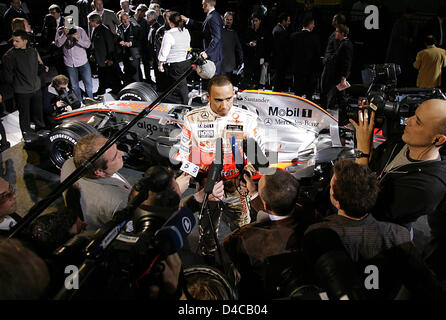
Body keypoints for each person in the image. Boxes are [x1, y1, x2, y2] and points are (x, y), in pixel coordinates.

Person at [175, 75, 263, 258]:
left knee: (243, 227)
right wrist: (198, 179)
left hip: (236, 188)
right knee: (207, 229)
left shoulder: (248, 119)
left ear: (234, 95)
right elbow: (186, 158)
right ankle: (209, 256)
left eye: (229, 99)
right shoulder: (192, 119)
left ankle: (242, 258)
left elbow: (257, 158)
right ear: (207, 97)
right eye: (218, 100)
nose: (225, 105)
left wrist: (245, 178)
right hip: (207, 188)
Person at [350, 99, 446, 235]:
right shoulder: (402, 141)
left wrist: (363, 151)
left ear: (438, 139)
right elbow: (373, 166)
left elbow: (360, 206)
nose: (408, 121)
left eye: (418, 122)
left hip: (380, 234)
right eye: (413, 114)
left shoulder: (426, 188)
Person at [223, 169, 315, 298]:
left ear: (265, 205)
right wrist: (255, 193)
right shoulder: (312, 216)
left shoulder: (244, 239)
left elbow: (228, 246)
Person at [305, 159, 411, 262]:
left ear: (338, 203)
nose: (329, 189)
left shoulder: (318, 234)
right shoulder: (399, 235)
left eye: (331, 187)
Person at [60, 133, 132, 231]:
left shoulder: (69, 164)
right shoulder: (120, 202)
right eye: (115, 156)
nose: (122, 153)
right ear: (100, 172)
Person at [2, 30, 47, 139]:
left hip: (36, 88)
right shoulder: (9, 56)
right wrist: (17, 84)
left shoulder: (32, 51)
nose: (14, 43)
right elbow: (7, 76)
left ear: (25, 41)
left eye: (17, 41)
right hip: (22, 91)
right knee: (24, 115)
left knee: (38, 112)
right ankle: (27, 135)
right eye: (13, 41)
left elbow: (37, 67)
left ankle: (41, 130)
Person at [182, 0, 223, 75]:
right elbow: (203, 26)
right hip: (213, 55)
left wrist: (208, 52)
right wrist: (187, 20)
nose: (202, 7)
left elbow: (217, 37)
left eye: (203, 5)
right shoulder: (213, 15)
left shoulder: (213, 17)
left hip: (213, 56)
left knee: (213, 81)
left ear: (207, 4)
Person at [158, 11, 191, 105]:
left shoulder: (169, 34)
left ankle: (185, 105)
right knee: (176, 85)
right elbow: (188, 45)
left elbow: (164, 51)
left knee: (181, 86)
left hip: (175, 64)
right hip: (186, 62)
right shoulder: (186, 31)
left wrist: (160, 64)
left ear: (170, 22)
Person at [55, 21, 93, 102]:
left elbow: (88, 44)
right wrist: (64, 35)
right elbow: (58, 44)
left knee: (88, 84)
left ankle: (91, 101)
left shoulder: (80, 30)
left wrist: (78, 39)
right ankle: (79, 102)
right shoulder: (60, 31)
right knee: (74, 85)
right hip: (69, 63)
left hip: (82, 61)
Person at [88, 13, 123, 97]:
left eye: (90, 21)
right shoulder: (96, 29)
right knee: (102, 75)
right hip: (100, 58)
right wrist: (93, 54)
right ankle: (101, 90)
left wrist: (110, 58)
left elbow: (110, 45)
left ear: (94, 21)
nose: (89, 23)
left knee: (112, 74)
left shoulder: (104, 30)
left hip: (106, 59)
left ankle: (117, 90)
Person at [320, 24, 353, 110]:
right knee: (339, 96)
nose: (335, 34)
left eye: (337, 32)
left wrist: (343, 78)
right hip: (335, 74)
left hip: (337, 76)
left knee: (335, 95)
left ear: (342, 33)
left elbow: (347, 62)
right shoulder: (342, 43)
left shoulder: (346, 45)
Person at [290, 16, 321, 100]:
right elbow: (317, 56)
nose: (314, 26)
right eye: (313, 24)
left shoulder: (293, 36)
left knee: (297, 94)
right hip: (310, 71)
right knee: (308, 95)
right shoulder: (315, 38)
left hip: (297, 69)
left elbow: (290, 53)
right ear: (310, 25)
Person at [242, 13, 270, 89]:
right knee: (247, 78)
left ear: (260, 21)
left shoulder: (264, 31)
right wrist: (249, 44)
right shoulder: (247, 30)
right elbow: (243, 44)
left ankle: (256, 93)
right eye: (253, 21)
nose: (254, 22)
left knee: (257, 78)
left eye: (256, 21)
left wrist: (266, 59)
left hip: (259, 59)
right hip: (249, 59)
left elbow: (267, 47)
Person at [117, 12, 143, 84]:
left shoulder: (135, 27)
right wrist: (120, 42)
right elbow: (118, 38)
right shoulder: (119, 28)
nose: (125, 21)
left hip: (133, 53)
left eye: (127, 18)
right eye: (123, 19)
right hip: (124, 53)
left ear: (129, 19)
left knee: (135, 72)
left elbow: (140, 40)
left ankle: (138, 87)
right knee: (127, 71)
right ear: (120, 20)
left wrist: (130, 43)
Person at [271, 13, 291, 92]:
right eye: (288, 21)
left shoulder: (279, 29)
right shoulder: (279, 31)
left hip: (279, 59)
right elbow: (279, 47)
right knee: (278, 78)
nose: (289, 23)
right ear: (283, 21)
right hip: (279, 59)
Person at [221, 12, 243, 81]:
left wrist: (241, 61)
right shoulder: (219, 31)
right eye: (227, 19)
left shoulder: (234, 33)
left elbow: (239, 48)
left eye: (230, 20)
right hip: (220, 63)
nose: (229, 21)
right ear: (224, 19)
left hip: (230, 64)